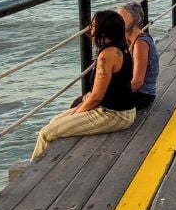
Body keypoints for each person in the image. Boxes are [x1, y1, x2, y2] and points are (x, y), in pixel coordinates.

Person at [33, 10, 135, 161]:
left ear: (103, 30)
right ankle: (47, 162)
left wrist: (77, 113)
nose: (89, 28)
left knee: (46, 133)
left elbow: (97, 96)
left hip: (115, 114)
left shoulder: (107, 55)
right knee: (55, 122)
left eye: (93, 25)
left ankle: (34, 171)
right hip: (118, 110)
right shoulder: (121, 48)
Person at [120, 1, 159, 109]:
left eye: (121, 17)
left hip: (142, 95)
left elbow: (137, 82)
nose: (118, 21)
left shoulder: (140, 43)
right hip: (134, 91)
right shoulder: (129, 41)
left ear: (134, 18)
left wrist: (111, 96)